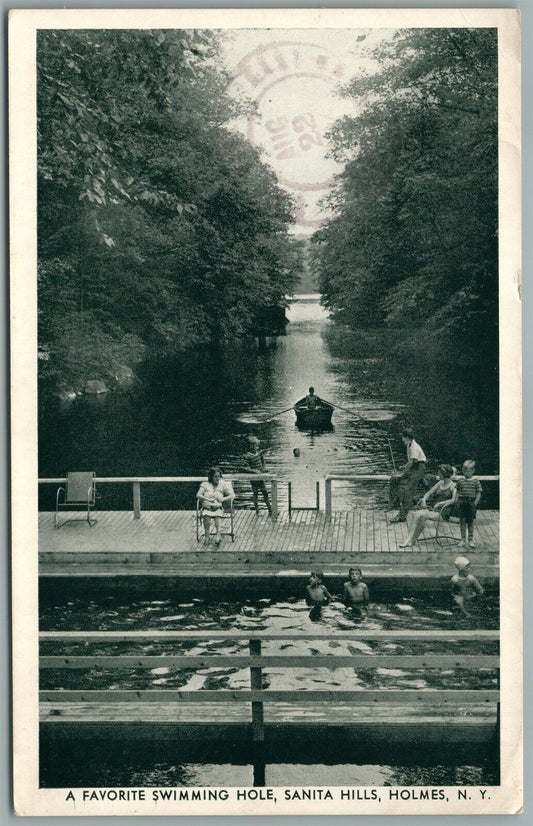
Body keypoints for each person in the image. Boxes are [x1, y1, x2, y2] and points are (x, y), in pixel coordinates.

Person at [398, 464, 457, 547]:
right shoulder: (440, 483)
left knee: (419, 514)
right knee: (419, 516)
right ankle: (411, 540)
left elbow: (454, 500)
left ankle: (408, 540)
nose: (438, 474)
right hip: (435, 509)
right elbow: (428, 493)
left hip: (444, 512)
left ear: (444, 474)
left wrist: (440, 503)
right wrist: (424, 499)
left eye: (439, 473)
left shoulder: (453, 486)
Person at [389, 427, 427, 523]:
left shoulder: (414, 447)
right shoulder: (408, 445)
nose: (402, 440)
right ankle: (395, 504)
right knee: (394, 479)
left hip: (419, 468)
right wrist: (403, 467)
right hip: (414, 466)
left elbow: (412, 463)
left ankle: (402, 516)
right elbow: (410, 462)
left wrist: (403, 474)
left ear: (407, 437)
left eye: (403, 437)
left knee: (408, 490)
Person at [196, 466, 234, 546]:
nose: (217, 479)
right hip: (207, 506)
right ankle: (207, 535)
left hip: (217, 506)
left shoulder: (223, 484)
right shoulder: (205, 484)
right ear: (211, 477)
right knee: (206, 515)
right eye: (215, 477)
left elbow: (232, 495)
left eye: (218, 477)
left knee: (217, 515)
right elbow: (198, 495)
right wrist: (208, 499)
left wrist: (223, 499)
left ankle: (218, 534)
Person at [455, 460, 482, 548]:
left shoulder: (476, 481)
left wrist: (475, 503)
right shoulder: (460, 481)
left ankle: (470, 540)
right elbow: (457, 492)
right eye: (465, 471)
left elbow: (478, 493)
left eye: (469, 471)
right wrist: (456, 502)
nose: (466, 473)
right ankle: (463, 539)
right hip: (462, 502)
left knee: (470, 522)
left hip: (471, 503)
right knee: (462, 521)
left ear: (473, 471)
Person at [243, 435, 272, 515]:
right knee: (255, 493)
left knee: (265, 492)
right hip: (254, 477)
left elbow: (263, 461)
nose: (257, 447)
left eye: (257, 446)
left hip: (260, 476)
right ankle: (257, 511)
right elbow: (245, 468)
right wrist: (254, 471)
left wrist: (263, 468)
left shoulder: (259, 453)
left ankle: (270, 510)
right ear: (251, 446)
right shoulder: (247, 456)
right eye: (256, 446)